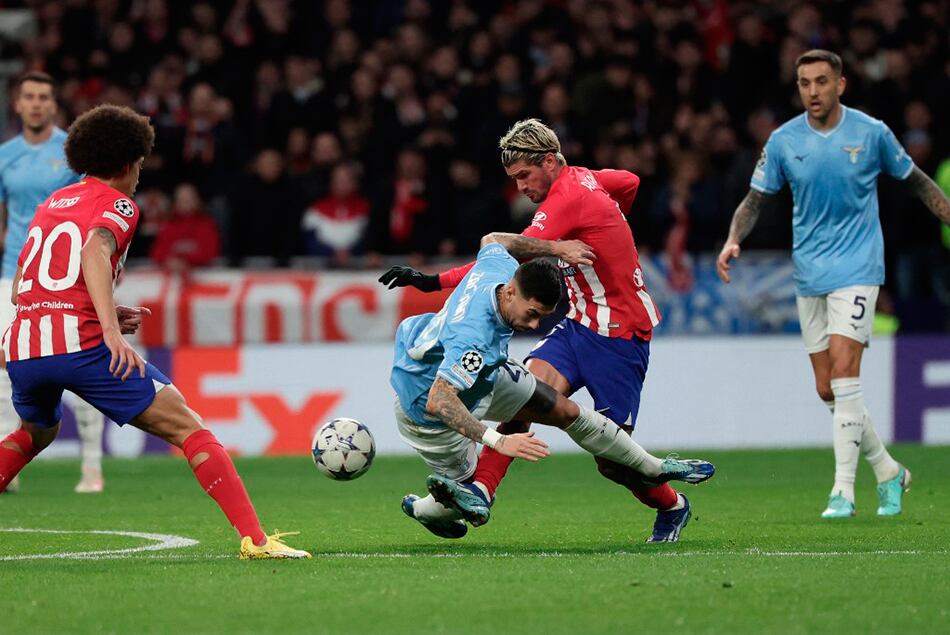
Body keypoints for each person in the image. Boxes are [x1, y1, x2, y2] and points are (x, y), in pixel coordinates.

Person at [0, 104, 309, 559]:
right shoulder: (118, 204)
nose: (140, 174)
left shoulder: (52, 203)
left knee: (36, 432)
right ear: (126, 164)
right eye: (141, 165)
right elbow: (93, 252)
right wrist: (109, 329)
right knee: (188, 426)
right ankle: (257, 541)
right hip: (80, 344)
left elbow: (24, 281)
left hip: (24, 343)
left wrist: (97, 306)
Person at [381, 118, 697, 543]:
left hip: (621, 334)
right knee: (527, 401)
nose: (520, 188)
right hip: (578, 324)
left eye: (524, 175)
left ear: (550, 161)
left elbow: (508, 256)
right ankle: (480, 492)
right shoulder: (585, 179)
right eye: (513, 179)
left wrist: (436, 281)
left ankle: (672, 505)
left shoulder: (564, 202)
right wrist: (614, 220)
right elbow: (629, 181)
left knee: (614, 462)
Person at [716, 50, 950, 519]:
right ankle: (889, 471)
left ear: (840, 84)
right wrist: (733, 238)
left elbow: (920, 183)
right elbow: (755, 199)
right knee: (828, 389)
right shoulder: (784, 141)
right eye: (804, 83)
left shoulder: (872, 133)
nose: (813, 91)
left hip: (860, 269)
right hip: (810, 275)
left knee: (845, 374)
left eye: (822, 81)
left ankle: (843, 490)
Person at [392, 239, 714, 539]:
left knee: (561, 408)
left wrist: (556, 248)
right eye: (532, 315)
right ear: (509, 294)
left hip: (479, 374)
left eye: (541, 318)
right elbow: (440, 399)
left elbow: (493, 240)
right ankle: (423, 509)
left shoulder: (500, 269)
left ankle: (654, 466)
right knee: (458, 498)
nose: (534, 326)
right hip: (424, 404)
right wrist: (498, 440)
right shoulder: (473, 339)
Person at [0, 72, 105, 494]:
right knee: (9, 370)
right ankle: (12, 468)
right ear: (18, 104)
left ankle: (92, 467)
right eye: (30, 97)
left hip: (64, 279)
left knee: (83, 367)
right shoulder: (5, 156)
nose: (37, 103)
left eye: (44, 96)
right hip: (13, 273)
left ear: (53, 104)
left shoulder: (71, 153)